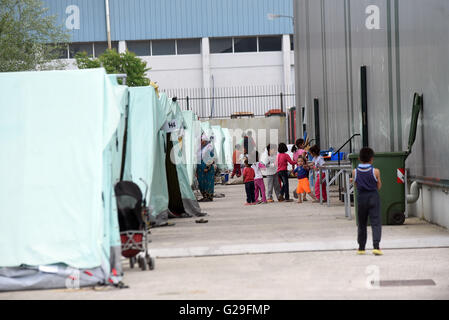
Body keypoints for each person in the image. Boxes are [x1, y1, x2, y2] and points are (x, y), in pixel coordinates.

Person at [352, 147, 383, 256]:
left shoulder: (355, 171)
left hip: (361, 197)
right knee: (376, 222)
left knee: (362, 223)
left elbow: (355, 185)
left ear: (359, 158)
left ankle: (361, 248)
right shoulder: (376, 171)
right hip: (373, 196)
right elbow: (379, 185)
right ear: (372, 159)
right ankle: (376, 246)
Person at [196, 133, 215, 202]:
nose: (201, 142)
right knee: (201, 183)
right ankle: (204, 196)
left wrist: (207, 167)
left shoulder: (209, 147)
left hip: (207, 168)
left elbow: (211, 158)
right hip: (200, 168)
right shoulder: (200, 148)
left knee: (208, 182)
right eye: (201, 140)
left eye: (203, 140)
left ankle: (209, 196)